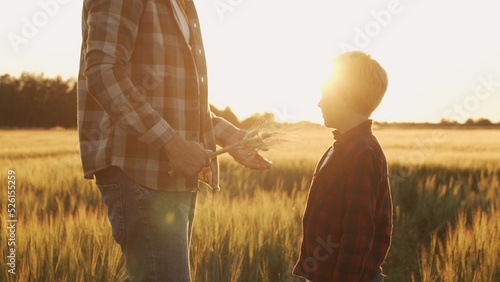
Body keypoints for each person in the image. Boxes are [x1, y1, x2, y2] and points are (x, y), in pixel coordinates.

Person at [77, 0, 272, 281]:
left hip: (168, 178)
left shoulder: (183, 4)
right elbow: (103, 72)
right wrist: (171, 142)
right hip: (139, 174)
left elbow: (177, 102)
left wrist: (231, 137)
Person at [292, 51, 393, 282]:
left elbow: (358, 233)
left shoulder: (362, 153)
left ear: (346, 96)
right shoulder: (342, 147)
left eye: (325, 94)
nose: (319, 102)